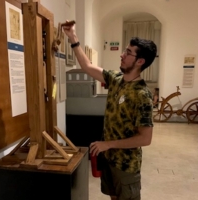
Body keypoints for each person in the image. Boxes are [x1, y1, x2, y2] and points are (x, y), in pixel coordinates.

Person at [64, 23, 155, 200]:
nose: (122, 55)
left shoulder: (142, 95)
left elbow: (145, 138)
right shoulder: (116, 79)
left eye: (128, 53)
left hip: (126, 166)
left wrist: (108, 144)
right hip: (110, 159)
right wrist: (73, 38)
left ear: (140, 61)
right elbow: (87, 66)